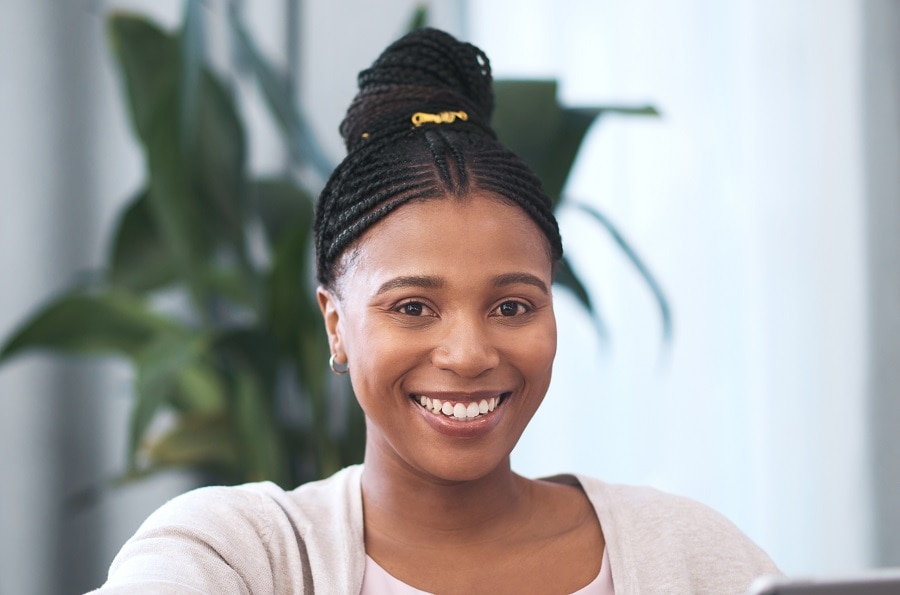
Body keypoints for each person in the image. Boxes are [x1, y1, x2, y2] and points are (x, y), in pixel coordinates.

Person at [94, 27, 779, 594]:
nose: (469, 352)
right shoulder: (236, 554)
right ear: (336, 323)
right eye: (415, 306)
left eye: (512, 305)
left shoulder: (688, 557)